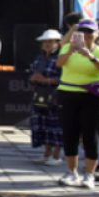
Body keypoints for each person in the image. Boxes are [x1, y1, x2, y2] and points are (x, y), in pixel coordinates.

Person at [55, 20, 99, 189]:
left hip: (92, 96)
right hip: (68, 93)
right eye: (83, 32)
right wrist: (71, 51)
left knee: (91, 134)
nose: (86, 35)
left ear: (97, 34)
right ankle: (72, 172)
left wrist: (90, 56)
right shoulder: (67, 48)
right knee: (70, 133)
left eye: (90, 32)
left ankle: (90, 174)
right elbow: (59, 63)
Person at [29, 30, 63, 166]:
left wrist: (47, 80)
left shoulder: (61, 58)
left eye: (51, 41)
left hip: (56, 96)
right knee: (42, 125)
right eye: (45, 42)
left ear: (58, 43)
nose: (47, 44)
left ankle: (56, 156)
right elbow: (32, 74)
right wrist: (33, 78)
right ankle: (46, 153)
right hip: (40, 95)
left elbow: (64, 78)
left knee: (56, 125)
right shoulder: (39, 59)